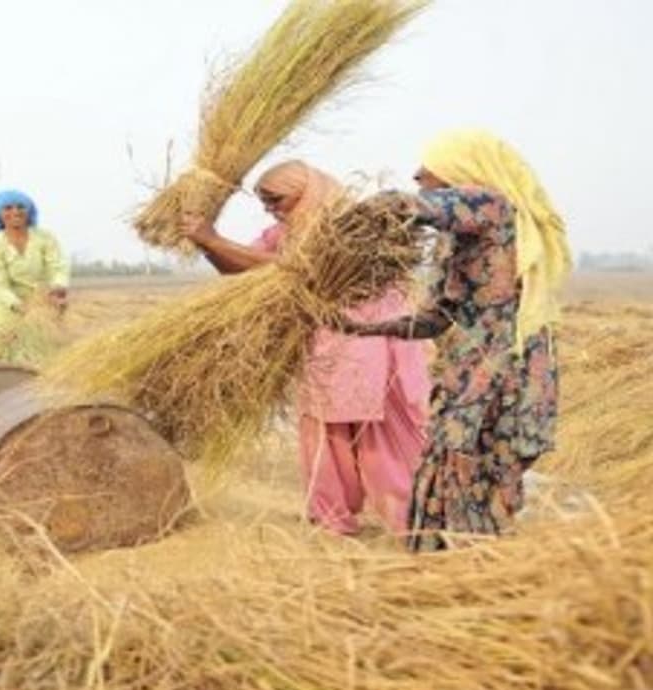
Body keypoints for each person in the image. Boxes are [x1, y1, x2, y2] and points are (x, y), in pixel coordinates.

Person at [342, 131, 568, 551]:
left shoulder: (491, 206)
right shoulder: (456, 239)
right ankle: (451, 575)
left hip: (505, 367)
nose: (417, 175)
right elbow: (434, 319)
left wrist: (344, 225)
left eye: (428, 168)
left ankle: (483, 577)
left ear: (459, 171)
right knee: (451, 466)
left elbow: (409, 205)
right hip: (469, 368)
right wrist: (366, 330)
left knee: (481, 471)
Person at [181, 160, 431, 536]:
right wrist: (207, 244)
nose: (271, 209)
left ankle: (408, 520)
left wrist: (214, 238)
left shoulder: (351, 226)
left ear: (306, 190)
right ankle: (331, 520)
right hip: (325, 348)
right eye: (265, 203)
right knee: (324, 434)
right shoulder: (285, 231)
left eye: (276, 200)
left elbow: (297, 269)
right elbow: (240, 268)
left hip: (371, 340)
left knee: (375, 435)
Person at [0, 189, 70, 365]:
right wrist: (20, 307)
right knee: (4, 358)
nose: (15, 212)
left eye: (21, 207)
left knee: (43, 357)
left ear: (29, 211)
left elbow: (58, 267)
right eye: (7, 208)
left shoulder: (45, 238)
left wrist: (58, 288)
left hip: (41, 303)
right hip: (5, 309)